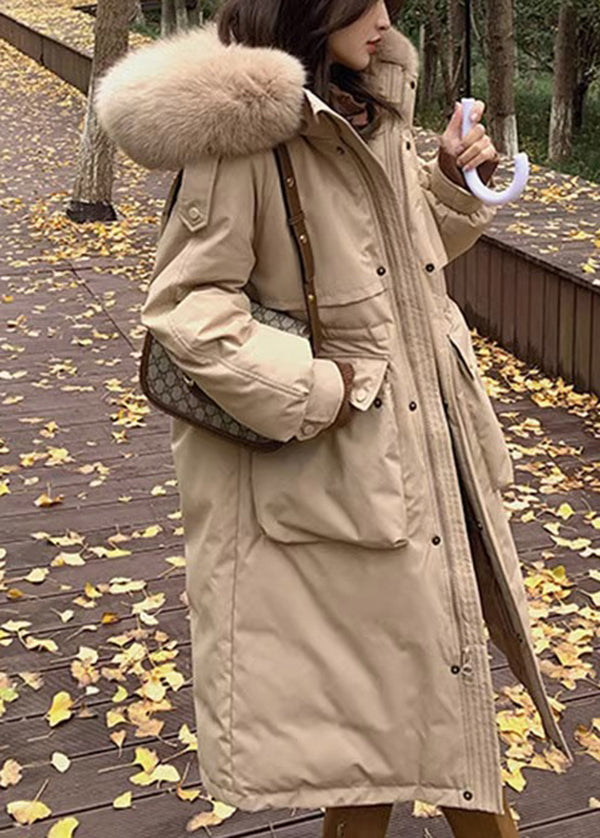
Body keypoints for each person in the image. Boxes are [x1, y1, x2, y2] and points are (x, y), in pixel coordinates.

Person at [96, 1, 573, 836]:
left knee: (402, 709)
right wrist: (323, 390)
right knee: (400, 715)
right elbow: (186, 310)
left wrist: (446, 181)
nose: (386, 18)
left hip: (423, 458)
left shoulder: (364, 106)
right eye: (364, 1)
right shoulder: (247, 137)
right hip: (341, 475)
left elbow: (402, 263)